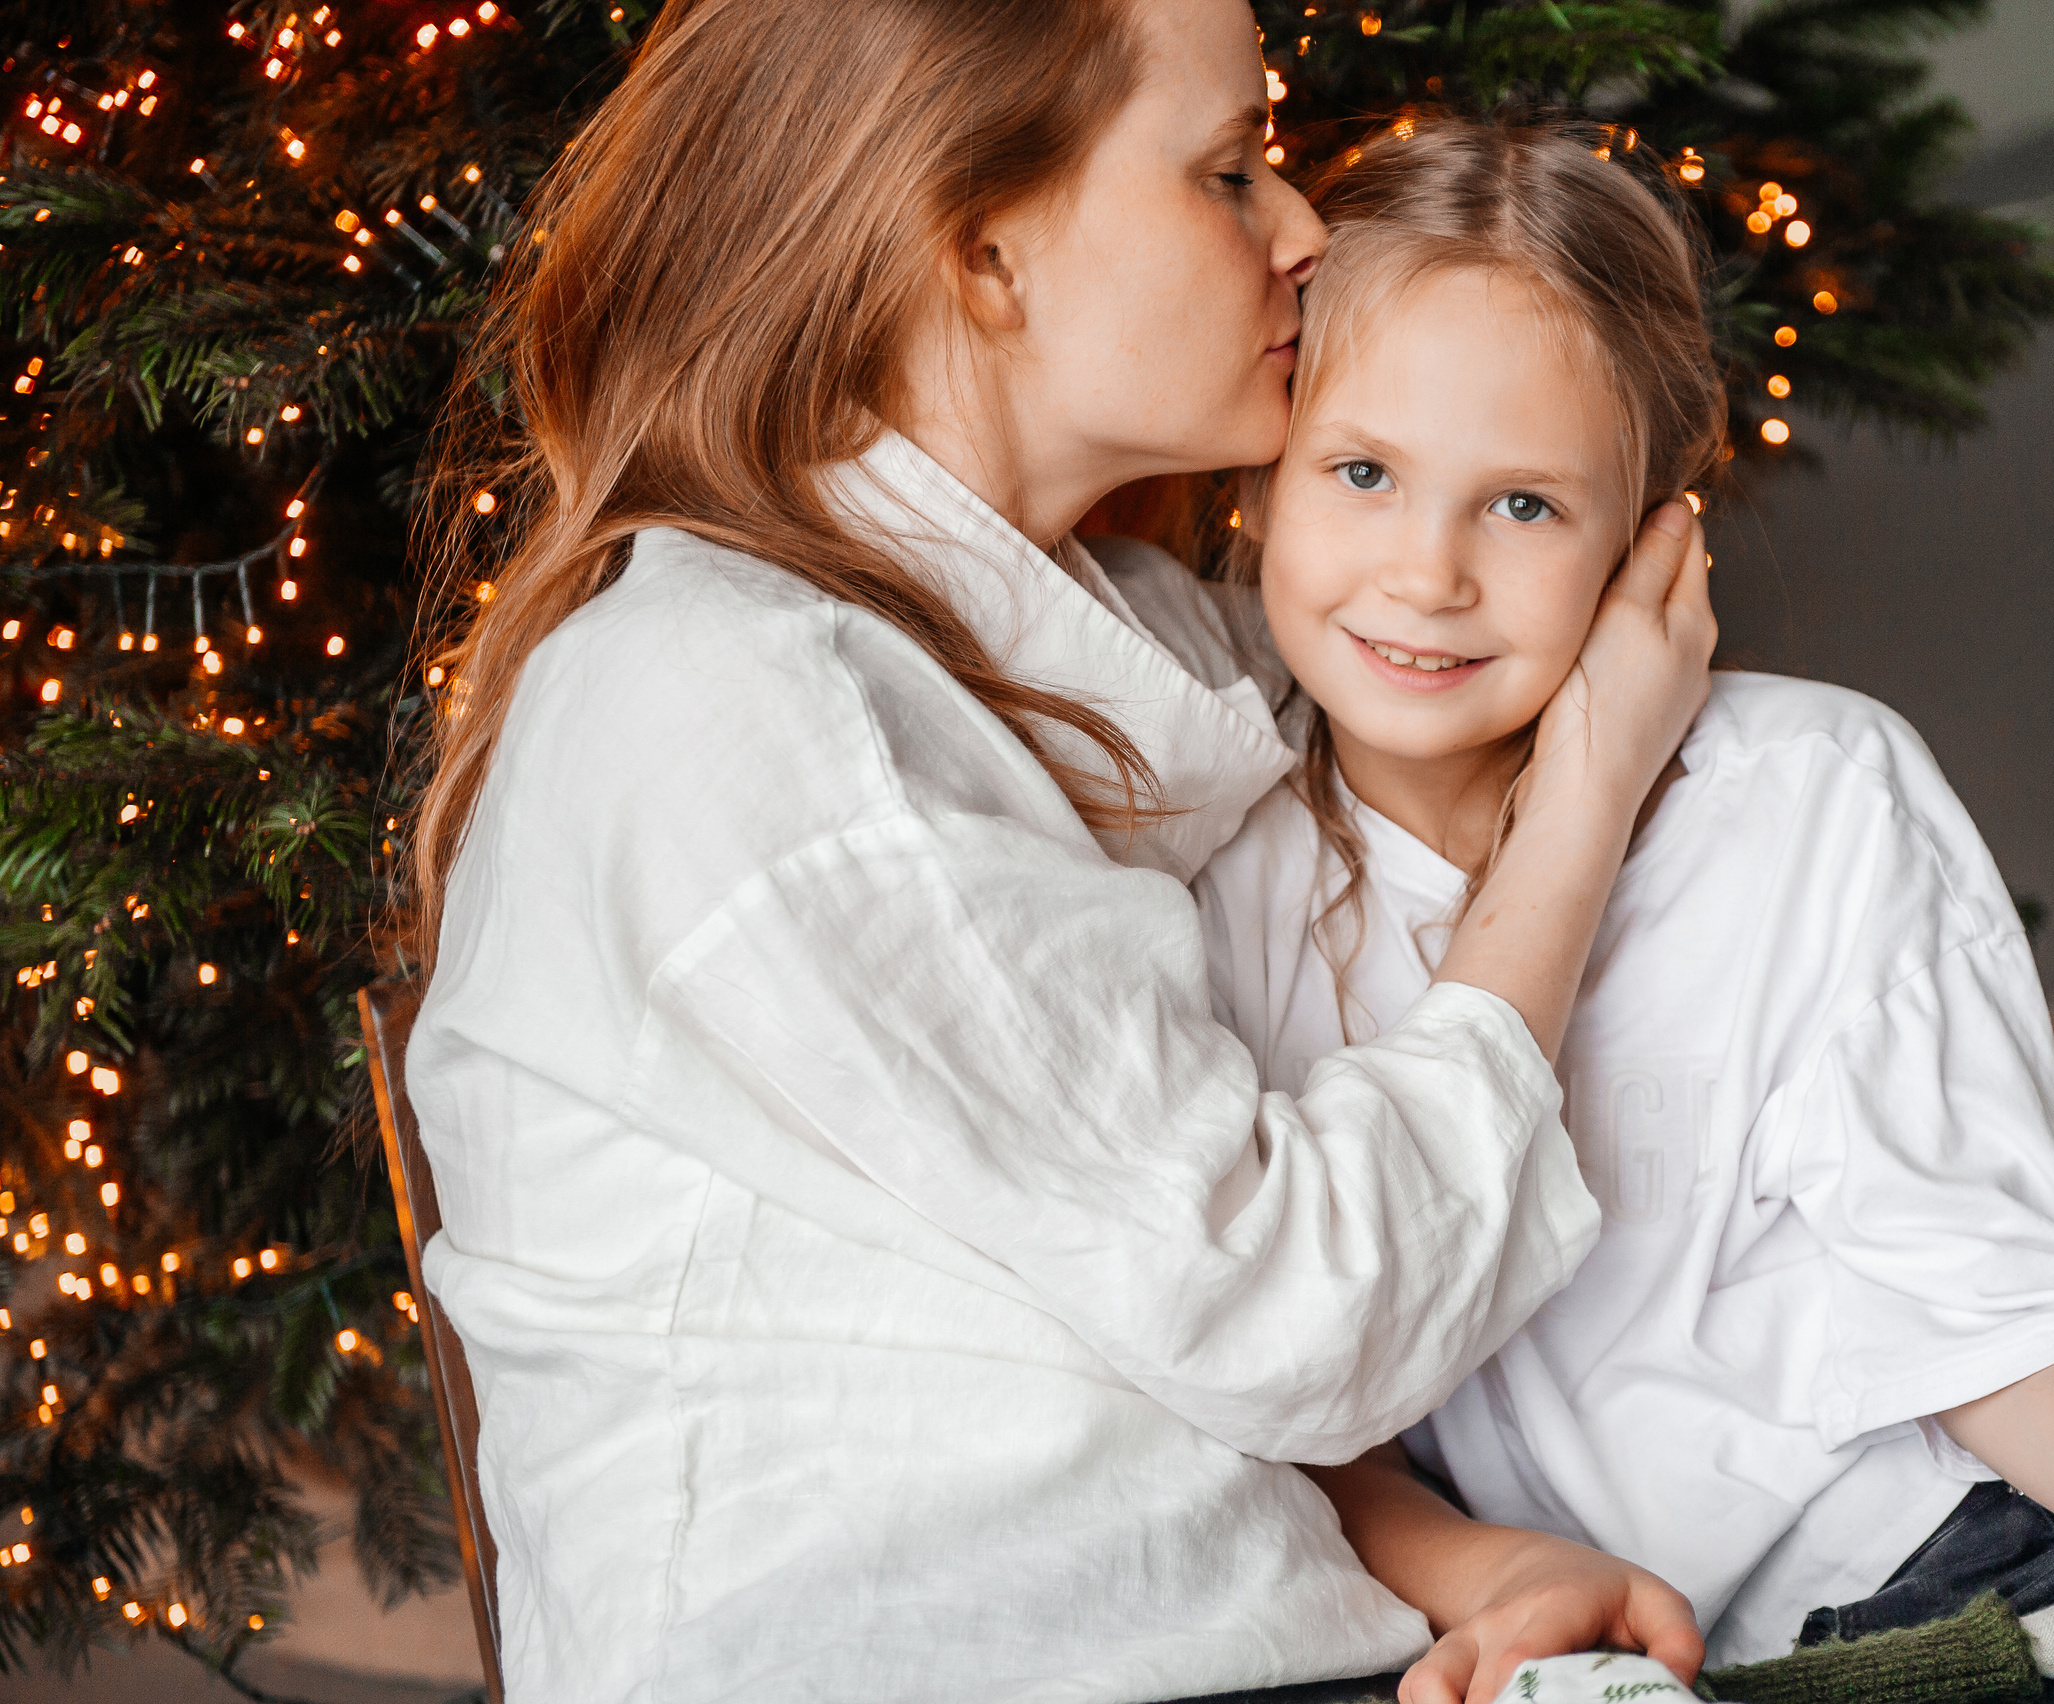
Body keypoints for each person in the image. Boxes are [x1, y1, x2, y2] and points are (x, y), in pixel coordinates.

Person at [401, 3, 1713, 1699]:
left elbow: (1520, 760)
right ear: (989, 256)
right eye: (1229, 174)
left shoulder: (1122, 629)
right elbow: (1296, 1308)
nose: (1304, 233)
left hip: (1268, 1613)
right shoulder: (742, 707)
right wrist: (1589, 799)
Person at [1189, 115, 2054, 1704]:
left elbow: (1987, 1304)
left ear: (1652, 540)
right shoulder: (1206, 887)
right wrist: (1487, 1571)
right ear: (1260, 483)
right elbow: (1276, 1406)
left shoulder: (1819, 790)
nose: (1425, 573)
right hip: (1694, 1646)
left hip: (2041, 1524)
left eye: (1523, 507)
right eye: (1363, 473)